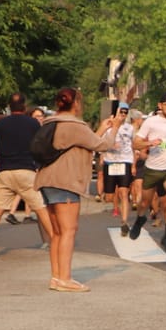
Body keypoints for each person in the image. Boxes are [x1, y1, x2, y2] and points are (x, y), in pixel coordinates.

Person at [33, 87, 115, 292]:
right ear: (76, 103)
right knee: (69, 230)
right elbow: (103, 145)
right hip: (65, 181)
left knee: (57, 233)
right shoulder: (75, 125)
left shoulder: (49, 122)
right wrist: (115, 127)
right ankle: (65, 279)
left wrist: (101, 128)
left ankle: (56, 277)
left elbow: (84, 143)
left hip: (47, 180)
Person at [0, 93, 52, 261]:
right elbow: (40, 146)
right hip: (26, 170)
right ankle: (55, 241)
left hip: (4, 171)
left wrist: (2, 154)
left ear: (9, 107)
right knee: (41, 208)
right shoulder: (33, 123)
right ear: (24, 107)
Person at [130, 93, 166, 252]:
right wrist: (150, 142)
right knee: (144, 203)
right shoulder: (151, 122)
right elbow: (136, 144)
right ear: (160, 106)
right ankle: (140, 219)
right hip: (153, 168)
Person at [98, 104, 136, 217]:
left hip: (125, 160)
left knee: (124, 192)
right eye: (121, 112)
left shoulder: (130, 128)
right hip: (110, 161)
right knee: (110, 195)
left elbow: (134, 145)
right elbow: (100, 141)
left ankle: (124, 221)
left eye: (125, 112)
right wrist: (104, 154)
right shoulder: (108, 125)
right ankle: (113, 205)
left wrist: (133, 164)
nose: (123, 115)